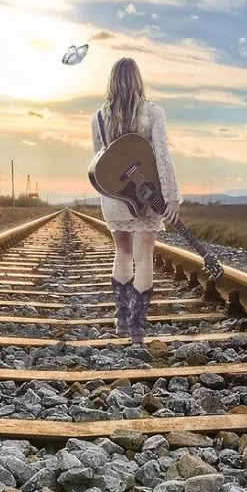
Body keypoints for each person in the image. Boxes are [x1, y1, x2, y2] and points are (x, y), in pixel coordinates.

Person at [91, 57, 182, 346]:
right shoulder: (154, 113)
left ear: (112, 82)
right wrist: (171, 197)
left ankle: (121, 320)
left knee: (123, 253)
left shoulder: (99, 118)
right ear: (138, 81)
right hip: (146, 194)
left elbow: (101, 162)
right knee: (144, 257)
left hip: (115, 196)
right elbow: (162, 157)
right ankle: (137, 329)